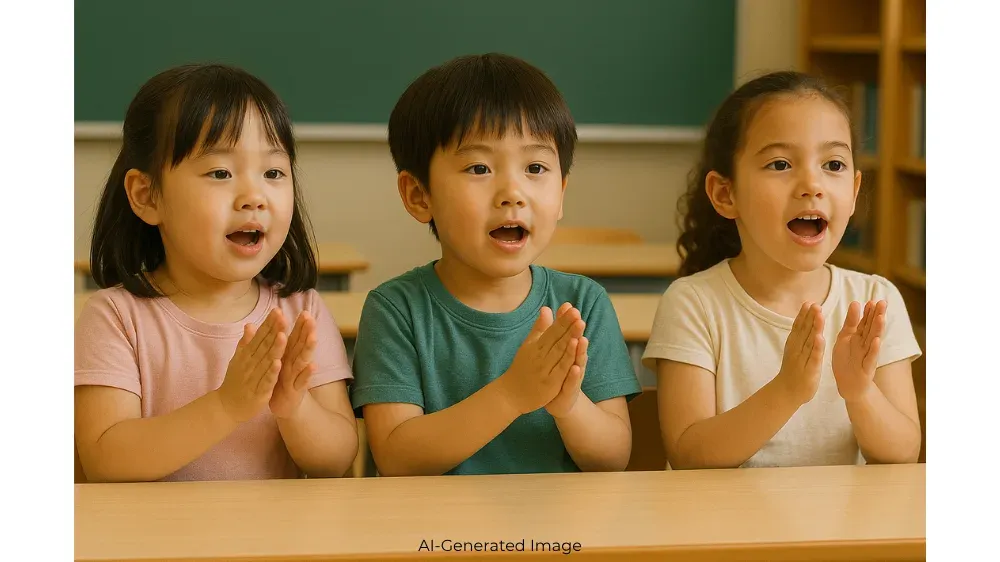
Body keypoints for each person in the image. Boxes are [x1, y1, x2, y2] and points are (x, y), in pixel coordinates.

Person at [350, 53, 642, 476]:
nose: (513, 192)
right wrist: (511, 395)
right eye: (479, 167)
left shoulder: (582, 303)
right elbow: (396, 456)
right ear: (418, 195)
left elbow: (613, 458)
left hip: (559, 538)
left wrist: (569, 404)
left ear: (560, 193)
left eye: (535, 167)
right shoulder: (396, 309)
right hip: (432, 537)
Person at [74, 64, 358, 482]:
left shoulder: (303, 311)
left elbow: (337, 461)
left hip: (272, 545)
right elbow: (106, 463)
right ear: (147, 196)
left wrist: (296, 409)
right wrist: (226, 406)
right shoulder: (115, 316)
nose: (254, 197)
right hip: (153, 545)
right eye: (220, 172)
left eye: (274, 173)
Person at [643, 71, 922, 469]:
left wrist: (859, 392)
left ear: (855, 191)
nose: (812, 184)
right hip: (725, 527)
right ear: (726, 194)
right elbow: (689, 455)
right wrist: (787, 390)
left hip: (844, 530)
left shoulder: (876, 300)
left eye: (834, 164)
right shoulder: (693, 304)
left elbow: (903, 454)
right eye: (780, 164)